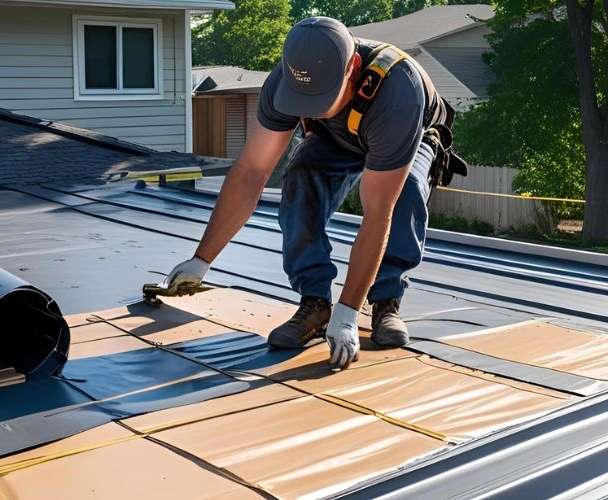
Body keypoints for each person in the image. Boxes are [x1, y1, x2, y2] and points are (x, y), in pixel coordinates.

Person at [163, 16, 451, 369]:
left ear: (352, 68)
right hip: (336, 134)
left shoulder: (399, 92)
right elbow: (252, 171)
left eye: (320, 98)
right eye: (304, 99)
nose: (309, 106)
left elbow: (378, 213)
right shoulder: (284, 80)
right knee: (300, 175)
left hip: (404, 131)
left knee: (404, 192)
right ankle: (315, 304)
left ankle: (385, 302)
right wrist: (202, 259)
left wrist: (347, 313)